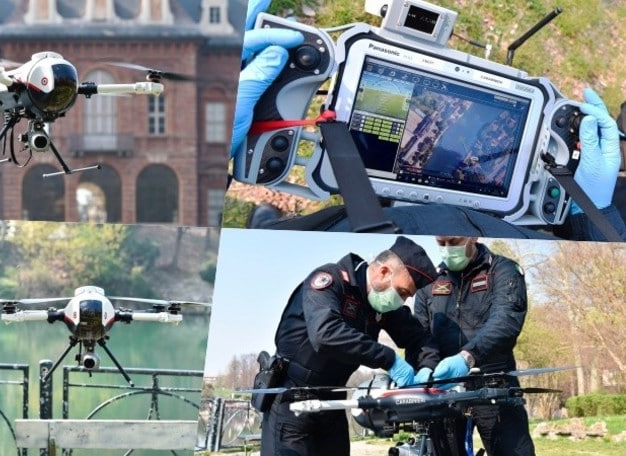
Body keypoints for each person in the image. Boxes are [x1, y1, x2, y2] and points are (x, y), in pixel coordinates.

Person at [231, 0, 626, 242]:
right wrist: (597, 220)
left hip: (366, 230)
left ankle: (267, 229)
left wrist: (592, 216)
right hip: (474, 227)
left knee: (291, 234)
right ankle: (268, 229)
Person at [260, 236, 440, 455]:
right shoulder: (331, 281)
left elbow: (419, 338)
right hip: (293, 399)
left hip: (333, 401)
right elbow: (326, 333)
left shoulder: (380, 303)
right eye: (402, 292)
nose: (401, 301)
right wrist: (389, 359)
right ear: (383, 272)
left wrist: (428, 367)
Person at [414, 236, 534, 456]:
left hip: (495, 386)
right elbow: (419, 337)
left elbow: (506, 320)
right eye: (441, 243)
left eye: (454, 241)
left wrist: (469, 356)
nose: (448, 249)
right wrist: (424, 365)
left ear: (473, 237)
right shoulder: (429, 283)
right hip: (445, 391)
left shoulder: (503, 270)